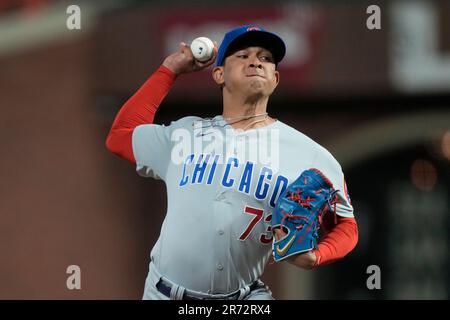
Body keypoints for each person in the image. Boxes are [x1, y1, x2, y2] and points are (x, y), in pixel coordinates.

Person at [106, 24, 358, 300]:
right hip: (165, 293)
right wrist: (170, 69)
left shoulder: (309, 154)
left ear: (275, 78)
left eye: (265, 58)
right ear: (219, 74)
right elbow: (121, 136)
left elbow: (347, 225)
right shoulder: (185, 134)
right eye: (242, 55)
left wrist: (317, 256)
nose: (255, 61)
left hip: (245, 298)